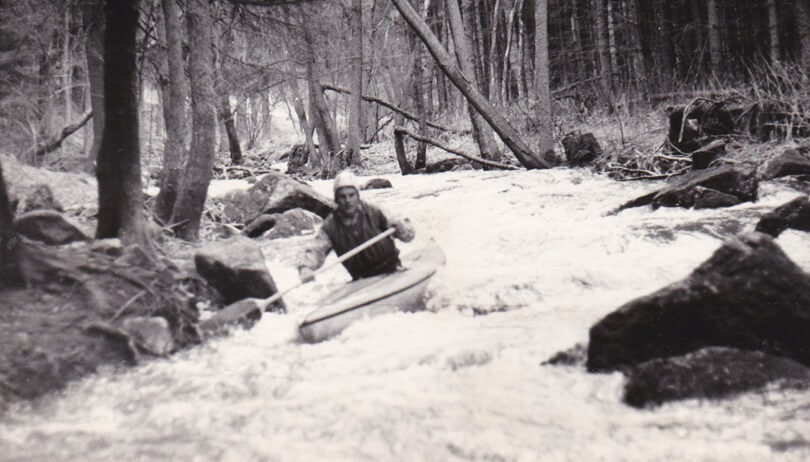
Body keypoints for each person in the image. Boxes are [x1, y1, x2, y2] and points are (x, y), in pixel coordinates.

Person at [298, 171, 415, 282]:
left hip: (391, 269)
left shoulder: (375, 210)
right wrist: (306, 268)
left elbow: (408, 236)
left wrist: (402, 229)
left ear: (358, 195)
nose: (347, 200)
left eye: (351, 195)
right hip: (361, 279)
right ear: (336, 199)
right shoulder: (330, 226)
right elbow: (316, 249)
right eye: (342, 196)